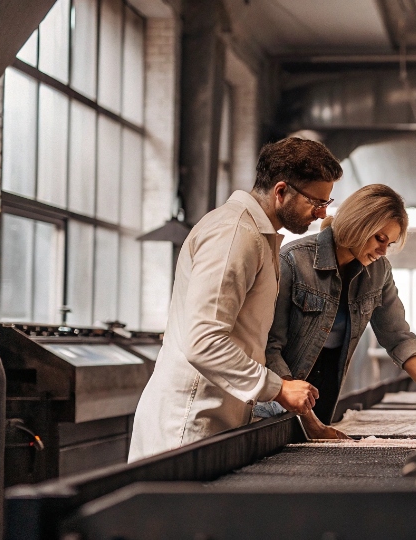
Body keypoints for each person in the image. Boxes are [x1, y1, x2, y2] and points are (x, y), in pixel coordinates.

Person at [129, 137, 343, 461]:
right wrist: (278, 389)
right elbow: (203, 341)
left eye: (327, 202)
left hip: (214, 419)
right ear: (281, 191)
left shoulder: (258, 236)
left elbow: (247, 339)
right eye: (316, 202)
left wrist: (300, 410)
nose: (322, 213)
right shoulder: (234, 234)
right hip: (188, 424)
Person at [263, 184, 416, 439]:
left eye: (390, 243)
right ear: (358, 224)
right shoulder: (292, 261)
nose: (383, 251)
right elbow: (269, 347)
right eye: (380, 238)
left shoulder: (379, 272)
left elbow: (398, 337)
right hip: (276, 406)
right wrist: (308, 420)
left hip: (322, 402)